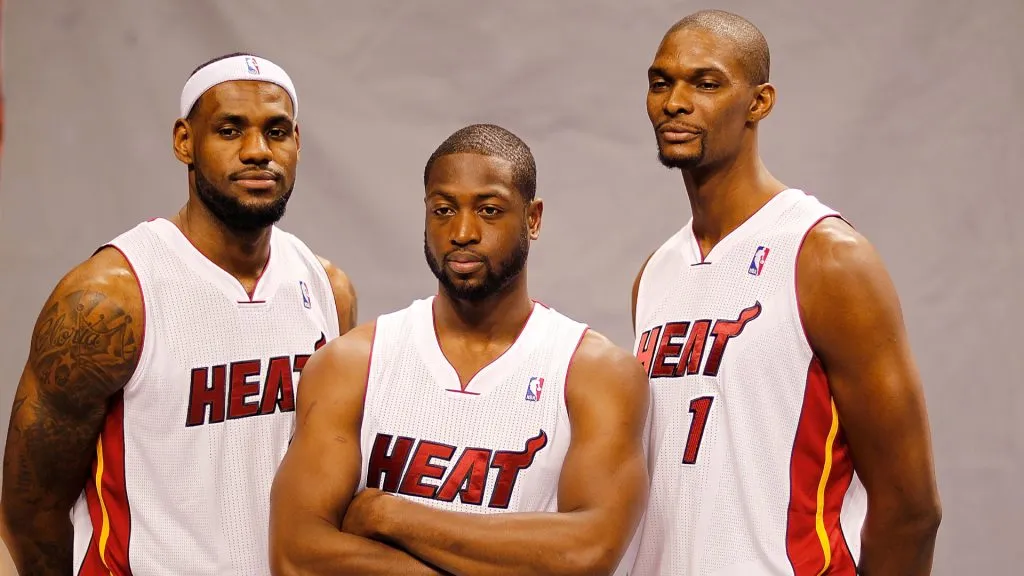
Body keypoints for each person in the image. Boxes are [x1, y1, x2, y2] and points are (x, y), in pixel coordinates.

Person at [1, 52, 356, 576]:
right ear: (184, 142)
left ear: (297, 143)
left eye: (276, 131)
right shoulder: (109, 298)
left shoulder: (327, 289)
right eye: (230, 129)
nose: (258, 151)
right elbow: (31, 508)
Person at [630, 10, 942, 576]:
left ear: (759, 102)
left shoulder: (825, 255)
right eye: (661, 82)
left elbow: (911, 507)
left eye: (706, 83)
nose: (675, 101)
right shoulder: (656, 272)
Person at [268, 123, 649, 576]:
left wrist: (388, 515)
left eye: (488, 210)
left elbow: (585, 554)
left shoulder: (594, 373)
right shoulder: (353, 363)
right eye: (443, 210)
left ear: (533, 218)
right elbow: (297, 556)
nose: (462, 231)